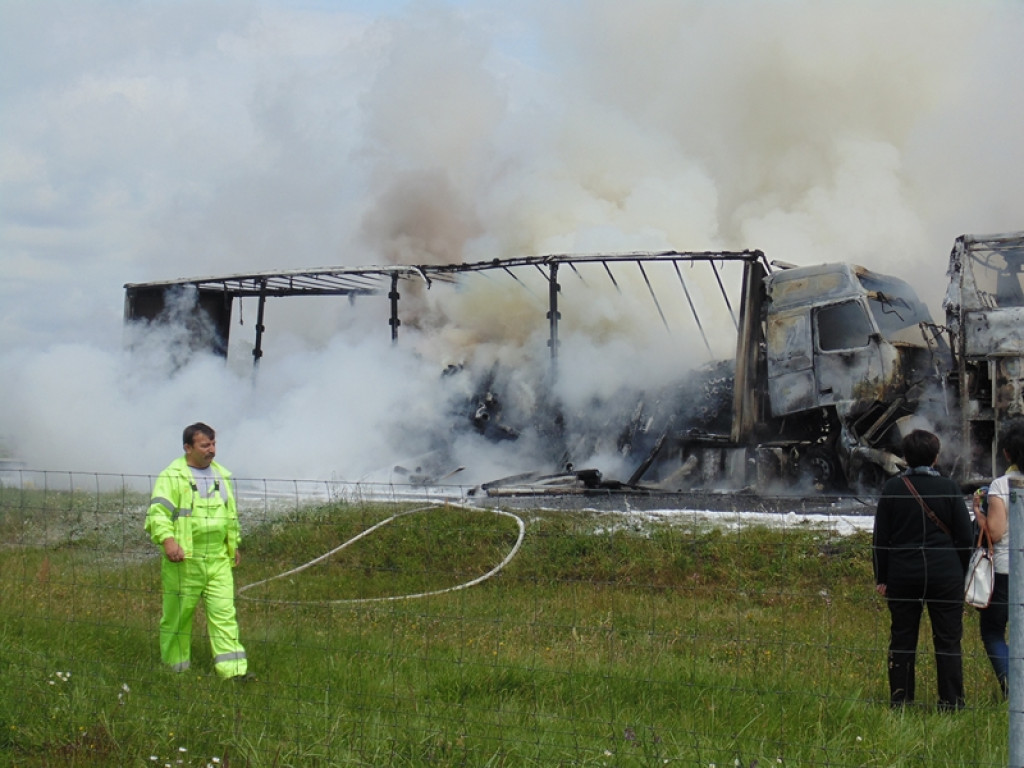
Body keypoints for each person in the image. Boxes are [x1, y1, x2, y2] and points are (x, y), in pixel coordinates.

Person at [872, 429, 973, 711]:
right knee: (948, 640)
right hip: (945, 574)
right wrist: (961, 573)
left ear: (905, 457)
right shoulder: (950, 488)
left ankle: (901, 700)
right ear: (936, 457)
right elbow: (965, 538)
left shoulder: (893, 489)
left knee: (903, 638)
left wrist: (882, 577)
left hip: (903, 573)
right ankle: (951, 703)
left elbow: (881, 538)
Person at [145, 422, 249, 680]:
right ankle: (175, 669)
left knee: (224, 614)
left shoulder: (221, 476)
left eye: (213, 444)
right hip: (184, 561)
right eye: (205, 445)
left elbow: (229, 515)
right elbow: (157, 514)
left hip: (217, 560)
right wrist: (167, 541)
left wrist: (232, 544)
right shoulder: (172, 476)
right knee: (179, 617)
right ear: (187, 448)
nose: (211, 450)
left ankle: (234, 672)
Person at [973, 418, 1024, 698]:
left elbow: (995, 532)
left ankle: (1013, 689)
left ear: (1007, 453)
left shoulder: (1002, 485)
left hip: (1006, 570)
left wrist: (979, 512)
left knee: (993, 631)